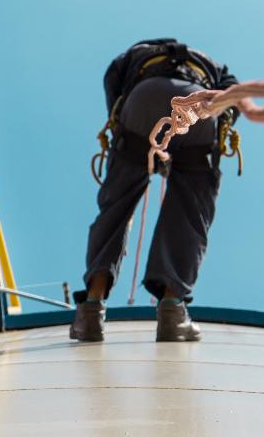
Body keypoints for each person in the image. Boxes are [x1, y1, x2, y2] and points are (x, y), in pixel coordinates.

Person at [71, 38, 241, 343]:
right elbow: (233, 95)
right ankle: (173, 312)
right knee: (192, 206)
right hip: (197, 102)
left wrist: (127, 139)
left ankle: (91, 311)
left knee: (116, 206)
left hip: (142, 98)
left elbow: (113, 80)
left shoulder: (136, 54)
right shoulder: (210, 64)